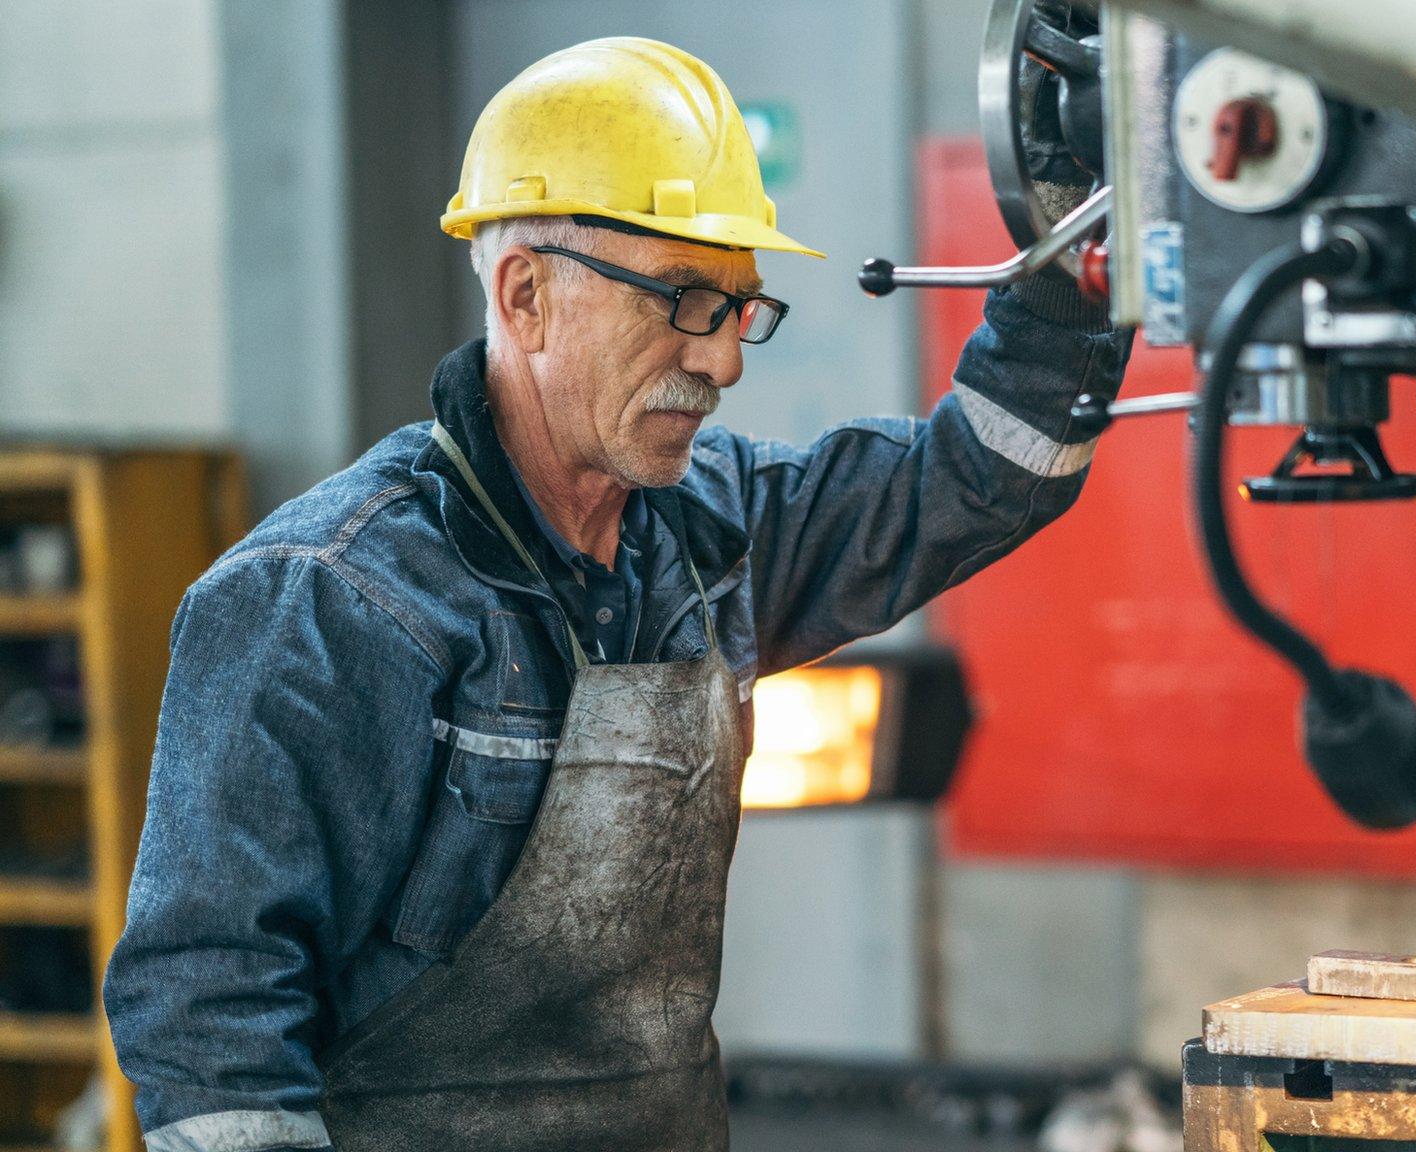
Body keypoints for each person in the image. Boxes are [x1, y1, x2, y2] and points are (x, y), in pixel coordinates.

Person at [104, 37, 1128, 1152]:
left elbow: (982, 478)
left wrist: (1076, 227)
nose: (726, 363)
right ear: (526, 294)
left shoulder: (715, 530)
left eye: (742, 307)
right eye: (684, 299)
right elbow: (208, 1009)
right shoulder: (325, 601)